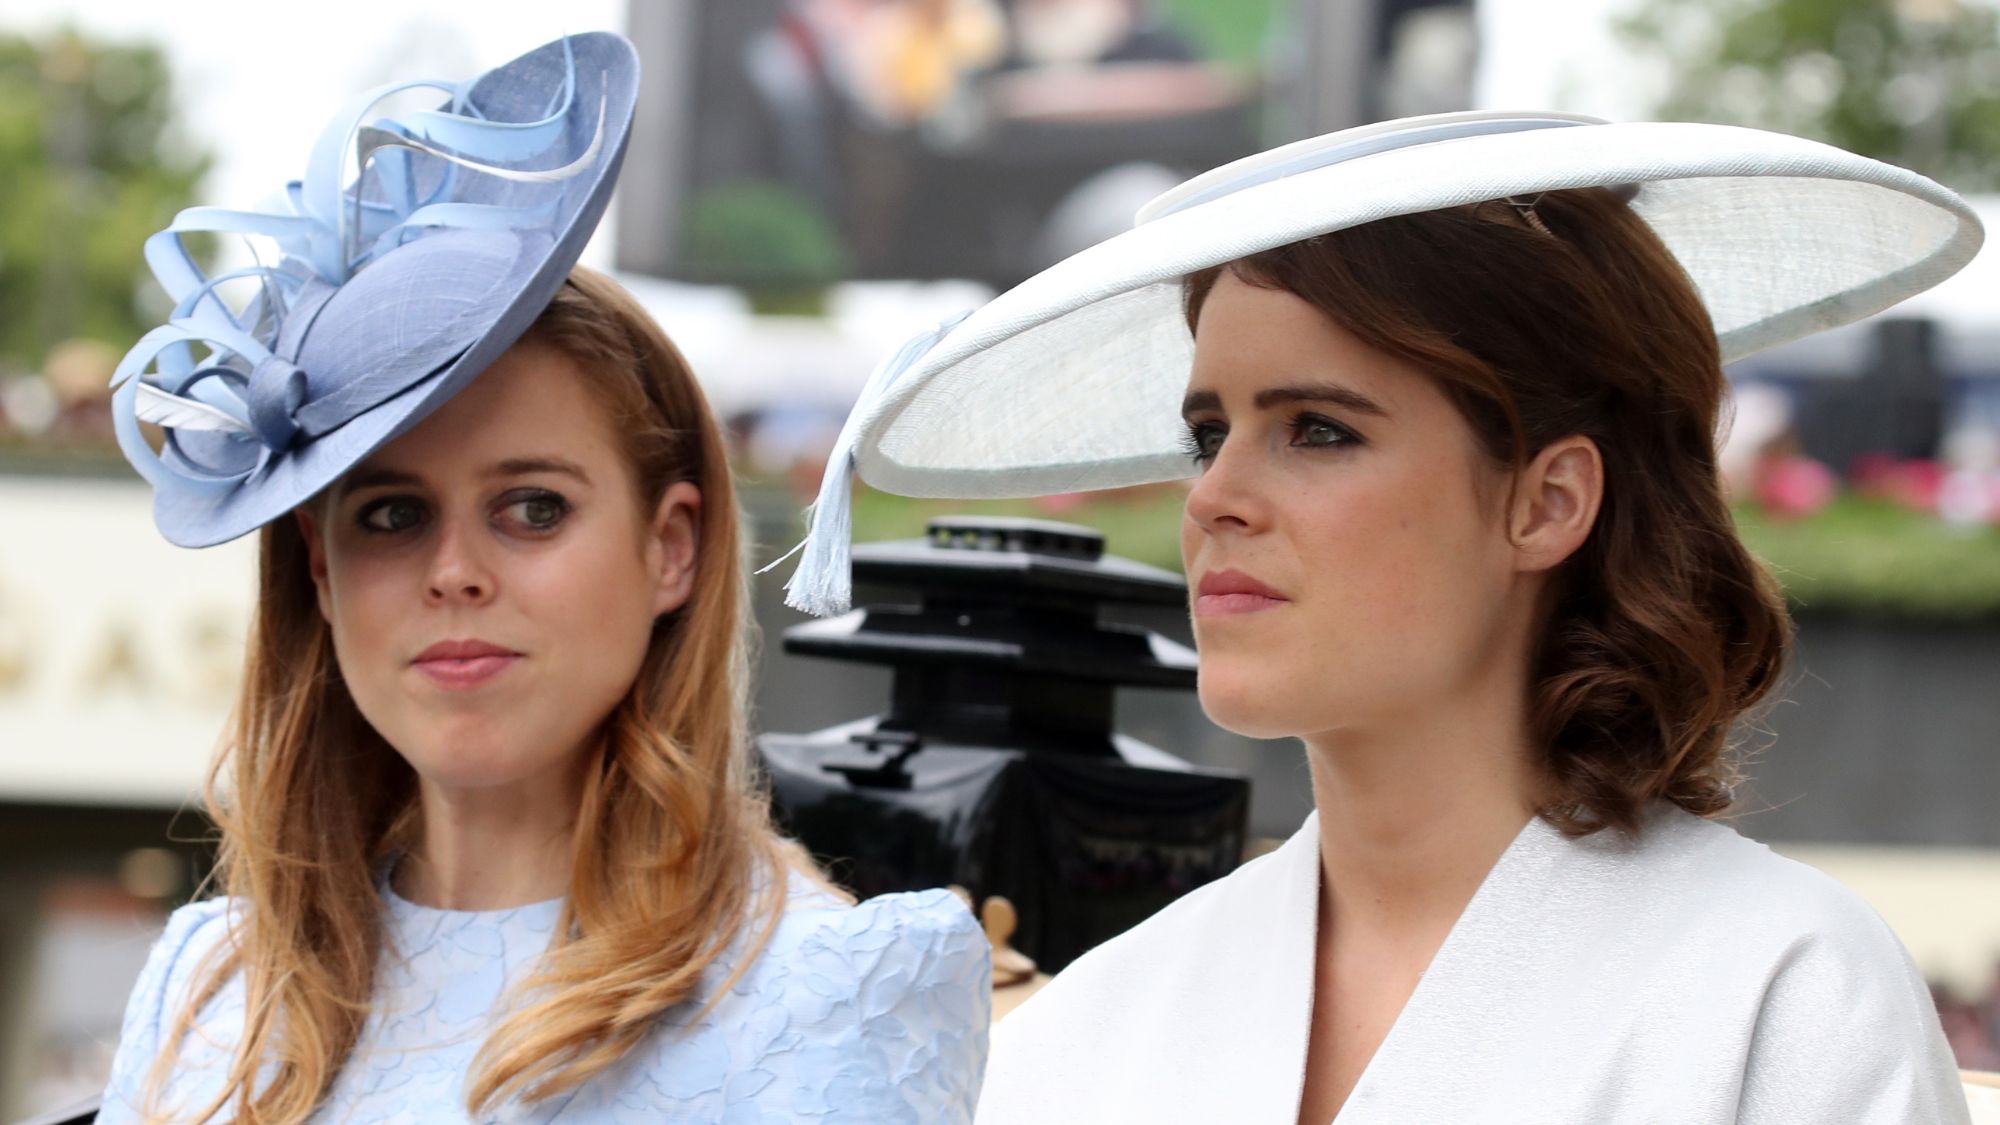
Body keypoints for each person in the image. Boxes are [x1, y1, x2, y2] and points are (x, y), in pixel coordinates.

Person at [778, 112, 1985, 1121]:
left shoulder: (1778, 992)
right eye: (1208, 433)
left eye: (1317, 428)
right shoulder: (1094, 1026)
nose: (1211, 498)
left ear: (1544, 500)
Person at [97, 32, 987, 1124]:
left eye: (533, 508)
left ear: (672, 547)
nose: (455, 573)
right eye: (392, 515)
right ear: (319, 573)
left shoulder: (831, 992)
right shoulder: (207, 992)